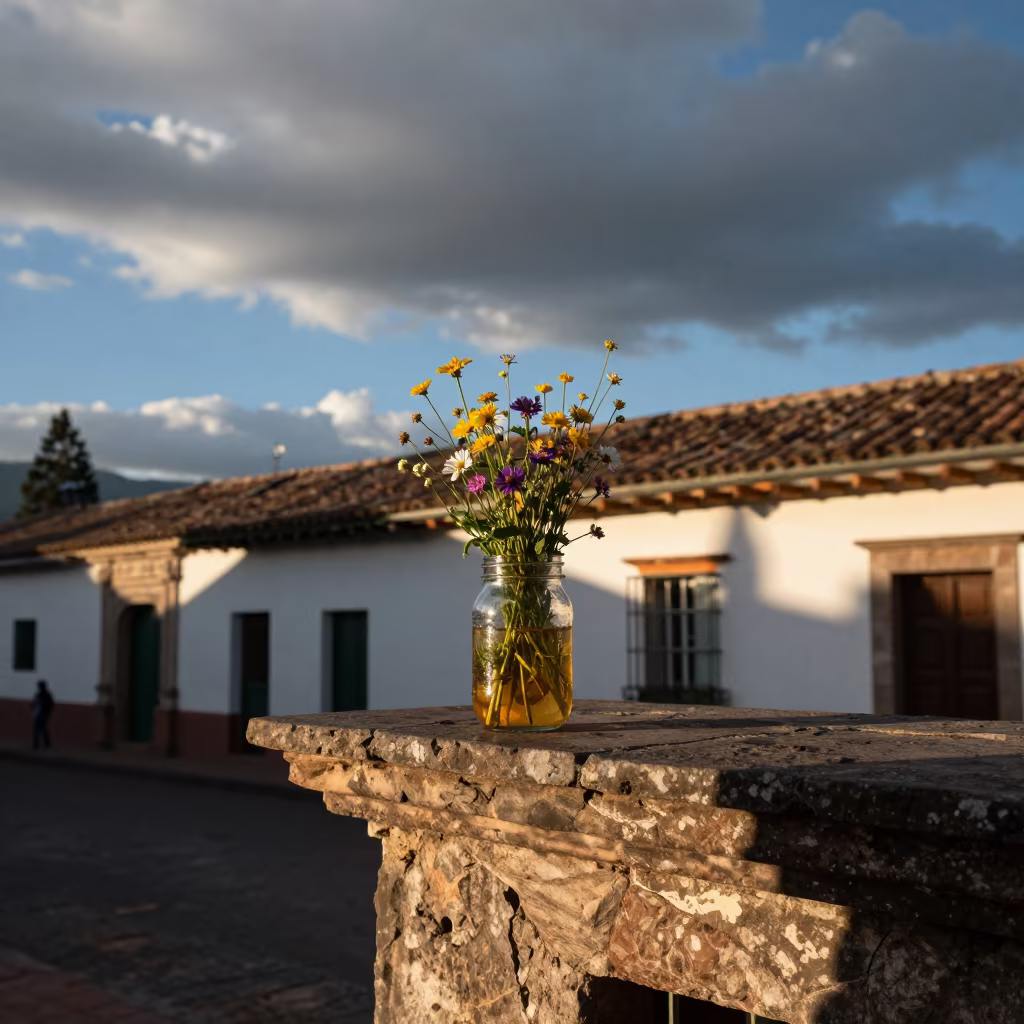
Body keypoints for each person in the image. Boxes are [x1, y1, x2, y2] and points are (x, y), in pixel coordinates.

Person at [31, 680, 54, 751]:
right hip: (38, 714)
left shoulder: (47, 695)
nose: (39, 687)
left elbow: (50, 704)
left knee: (42, 729)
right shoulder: (39, 694)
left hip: (43, 714)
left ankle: (45, 743)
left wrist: (43, 705)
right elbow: (33, 703)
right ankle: (37, 744)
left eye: (40, 686)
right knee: (37, 729)